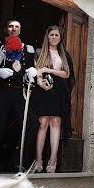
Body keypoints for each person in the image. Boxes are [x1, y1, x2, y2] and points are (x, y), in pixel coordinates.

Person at [0, 20, 37, 172]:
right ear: (5, 29)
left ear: (20, 31)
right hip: (2, 90)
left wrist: (32, 71)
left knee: (31, 124)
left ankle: (17, 161)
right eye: (11, 26)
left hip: (19, 92)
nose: (14, 29)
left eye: (17, 27)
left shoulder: (27, 49)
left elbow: (29, 66)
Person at [32, 25, 74, 173]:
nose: (54, 37)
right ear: (47, 36)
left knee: (56, 122)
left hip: (59, 91)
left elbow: (66, 74)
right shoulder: (39, 52)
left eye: (56, 35)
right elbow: (37, 71)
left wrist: (49, 70)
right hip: (44, 89)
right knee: (43, 123)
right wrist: (40, 82)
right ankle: (38, 160)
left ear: (60, 38)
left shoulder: (64, 55)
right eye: (52, 35)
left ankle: (53, 159)